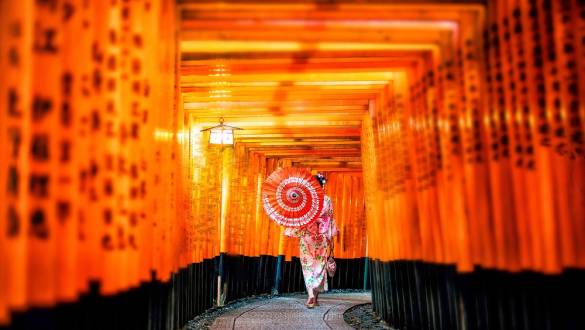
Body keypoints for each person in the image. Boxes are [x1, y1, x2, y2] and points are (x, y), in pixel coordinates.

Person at [284, 173, 338, 308]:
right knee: (319, 266)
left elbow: (298, 217)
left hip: (307, 236)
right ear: (322, 186)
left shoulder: (304, 200)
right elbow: (330, 218)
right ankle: (314, 296)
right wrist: (329, 234)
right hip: (321, 236)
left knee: (307, 266)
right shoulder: (327, 200)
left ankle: (311, 296)